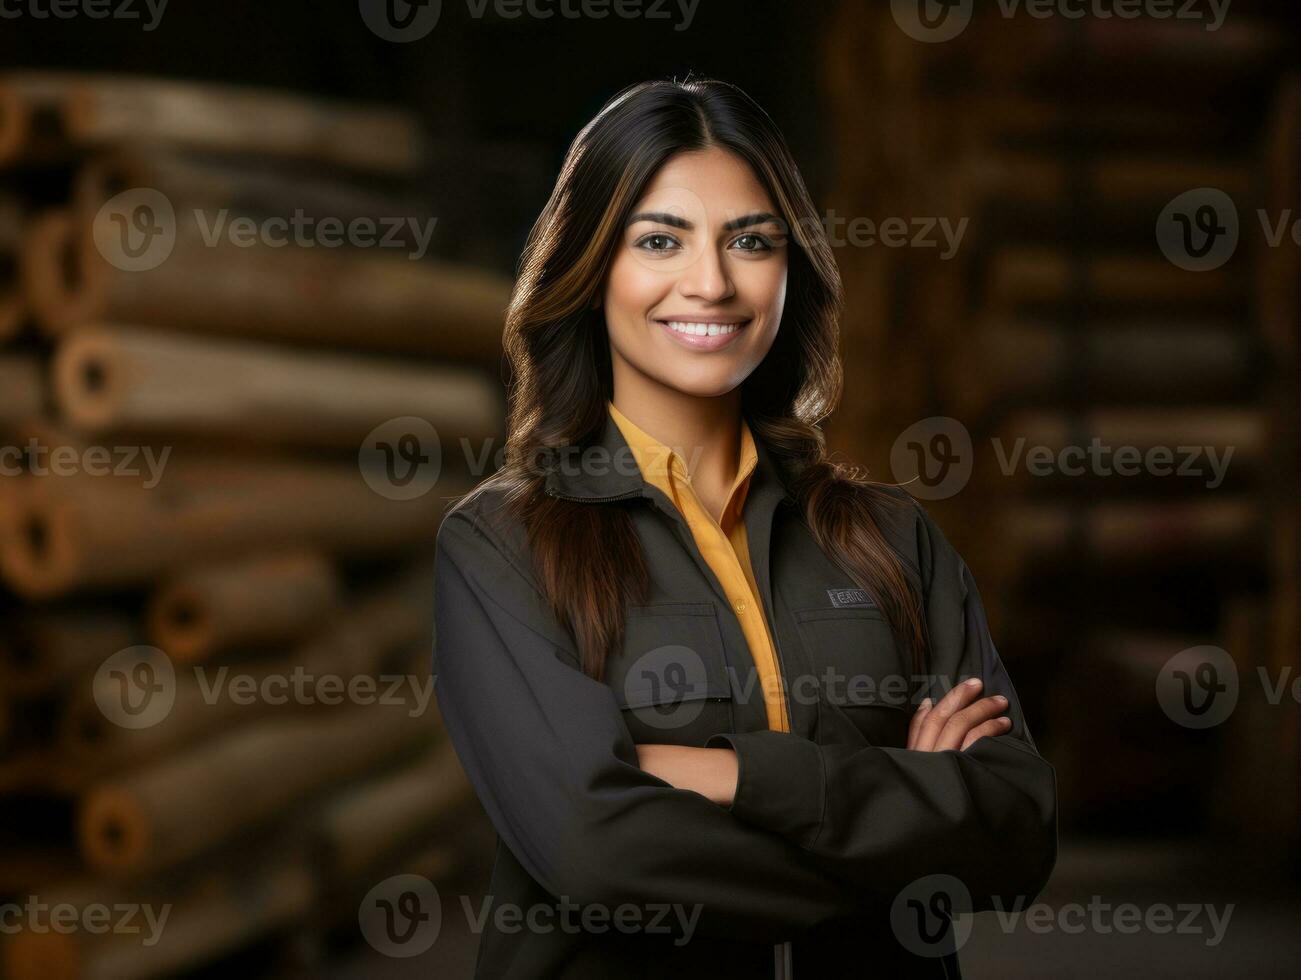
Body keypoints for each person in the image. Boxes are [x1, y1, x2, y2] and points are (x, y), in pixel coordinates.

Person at [433, 76, 1057, 979]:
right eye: (659, 240)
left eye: (751, 242)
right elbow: (597, 849)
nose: (713, 284)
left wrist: (727, 776)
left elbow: (1015, 830)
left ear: (789, 266)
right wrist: (910, 825)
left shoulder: (889, 538)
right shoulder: (500, 545)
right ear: (589, 266)